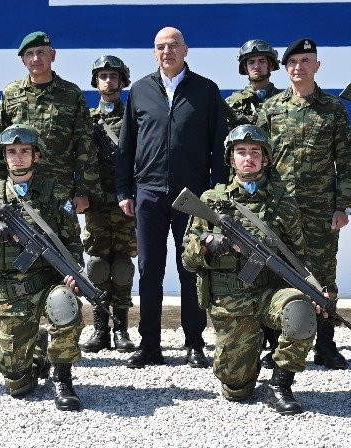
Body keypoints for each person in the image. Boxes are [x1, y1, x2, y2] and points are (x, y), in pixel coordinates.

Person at [182, 125, 321, 415]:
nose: (248, 158)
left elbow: (299, 258)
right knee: (236, 389)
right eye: (241, 152)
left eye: (255, 152)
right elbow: (188, 259)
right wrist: (209, 242)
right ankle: (247, 357)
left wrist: (316, 291)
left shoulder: (283, 202)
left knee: (300, 311)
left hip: (271, 292)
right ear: (231, 159)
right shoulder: (211, 201)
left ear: (266, 159)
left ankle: (281, 384)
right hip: (231, 300)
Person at [116, 26, 227, 369]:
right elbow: (126, 146)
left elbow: (219, 149)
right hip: (148, 193)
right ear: (154, 53)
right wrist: (124, 191)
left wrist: (216, 196)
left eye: (173, 45)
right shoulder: (139, 91)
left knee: (191, 267)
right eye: (160, 47)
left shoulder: (206, 91)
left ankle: (194, 342)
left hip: (191, 197)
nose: (167, 51)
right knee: (149, 270)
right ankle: (150, 345)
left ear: (186, 50)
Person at [255, 38, 351, 369]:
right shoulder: (271, 109)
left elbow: (347, 159)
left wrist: (344, 206)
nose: (298, 67)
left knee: (323, 276)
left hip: (320, 211)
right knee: (276, 273)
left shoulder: (333, 109)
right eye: (293, 63)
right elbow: (257, 159)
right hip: (279, 209)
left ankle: (326, 345)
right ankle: (276, 343)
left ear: (317, 65)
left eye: (305, 61)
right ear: (284, 69)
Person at [0, 125, 87, 410]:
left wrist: (73, 274)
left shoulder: (56, 193)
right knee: (17, 384)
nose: (18, 158)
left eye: (24, 151)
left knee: (63, 302)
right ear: (4, 156)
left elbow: (73, 243)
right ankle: (37, 351)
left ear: (37, 155)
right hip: (13, 294)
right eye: (12, 152)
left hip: (49, 284)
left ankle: (62, 378)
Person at [0, 31, 99, 217]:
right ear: (23, 60)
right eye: (29, 54)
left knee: (62, 242)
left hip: (60, 188)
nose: (36, 58)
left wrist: (83, 191)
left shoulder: (71, 93)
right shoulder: (11, 93)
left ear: (52, 55)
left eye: (41, 52)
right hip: (18, 188)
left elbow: (85, 144)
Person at [80, 55, 138, 354]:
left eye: (114, 76)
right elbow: (76, 158)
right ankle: (100, 328)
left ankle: (122, 330)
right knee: (98, 265)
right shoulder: (87, 119)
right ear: (96, 81)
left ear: (122, 80)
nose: (108, 81)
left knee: (123, 266)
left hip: (126, 201)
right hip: (96, 203)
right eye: (103, 76)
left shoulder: (134, 117)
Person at [226, 39, 281, 128]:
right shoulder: (231, 104)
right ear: (245, 68)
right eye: (251, 62)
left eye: (262, 61)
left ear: (270, 66)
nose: (256, 66)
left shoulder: (285, 101)